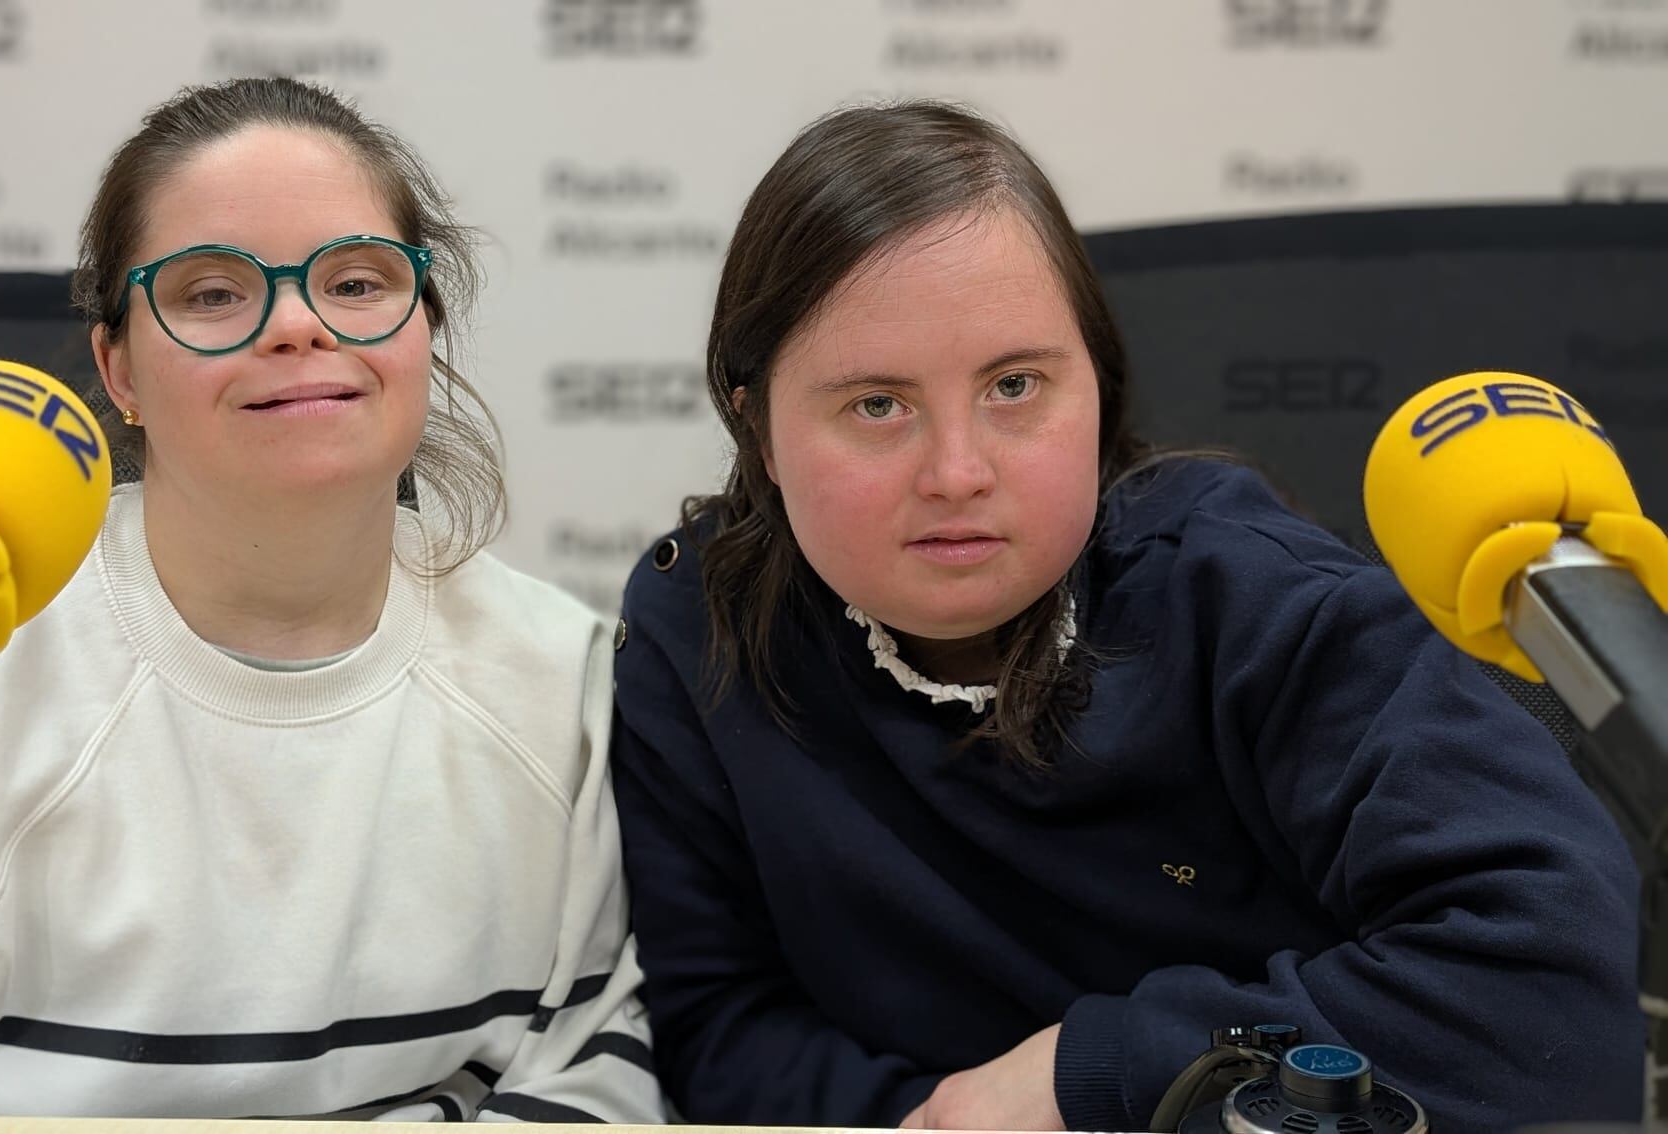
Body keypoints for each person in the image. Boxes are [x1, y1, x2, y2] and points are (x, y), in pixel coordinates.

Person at [610, 99, 1642, 1132]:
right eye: (878, 405)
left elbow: (1554, 994)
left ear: (1098, 388)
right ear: (757, 427)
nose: (959, 473)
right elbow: (718, 1037)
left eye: (1015, 386)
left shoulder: (1255, 599)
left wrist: (1092, 1077)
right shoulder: (691, 629)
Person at [0, 77, 663, 1123]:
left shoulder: (562, 680)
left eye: (358, 282)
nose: (297, 324)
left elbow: (597, 1084)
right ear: (117, 368)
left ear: (425, 330)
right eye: (214, 292)